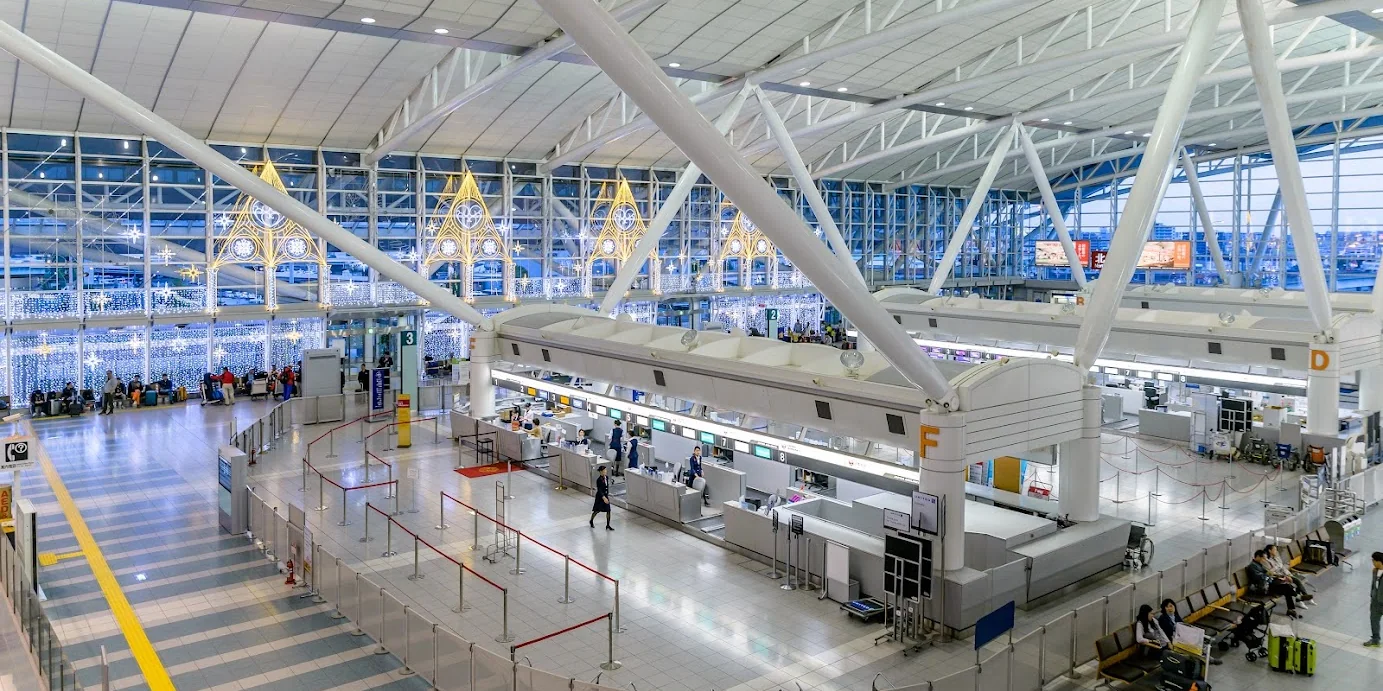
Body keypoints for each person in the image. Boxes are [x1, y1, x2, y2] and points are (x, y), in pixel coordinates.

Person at [1248, 549, 1298, 618]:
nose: (1265, 560)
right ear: (1258, 557)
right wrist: (1269, 574)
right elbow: (1260, 577)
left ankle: (1291, 608)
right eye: (1263, 558)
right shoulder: (1252, 566)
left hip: (1269, 584)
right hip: (1262, 588)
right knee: (1287, 588)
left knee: (1287, 587)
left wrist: (1282, 576)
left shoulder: (1260, 564)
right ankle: (1296, 599)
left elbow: (1269, 574)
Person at [1367, 552, 1383, 647]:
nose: (1372, 562)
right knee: (1374, 620)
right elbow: (1374, 585)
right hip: (1376, 601)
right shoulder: (1375, 571)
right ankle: (1375, 639)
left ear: (1379, 561)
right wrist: (1372, 595)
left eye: (1373, 560)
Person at [589, 465, 613, 530]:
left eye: (606, 470)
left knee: (608, 510)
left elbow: (606, 487)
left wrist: (607, 495)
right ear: (601, 472)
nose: (605, 471)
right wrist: (603, 497)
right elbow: (599, 490)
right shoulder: (599, 480)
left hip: (606, 496)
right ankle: (591, 520)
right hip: (600, 497)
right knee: (597, 510)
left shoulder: (607, 477)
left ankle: (608, 525)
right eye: (604, 470)